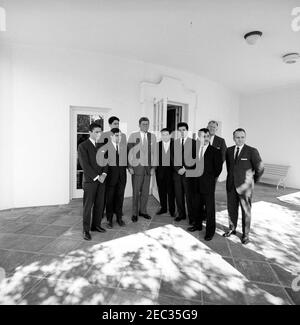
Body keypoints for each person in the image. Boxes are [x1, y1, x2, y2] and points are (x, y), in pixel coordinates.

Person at [223, 128, 264, 244]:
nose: (240, 139)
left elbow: (260, 168)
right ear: (233, 138)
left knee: (246, 211)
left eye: (242, 137)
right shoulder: (229, 150)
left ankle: (246, 235)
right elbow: (230, 168)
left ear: (245, 138)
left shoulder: (252, 151)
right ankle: (232, 229)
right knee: (231, 209)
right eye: (237, 137)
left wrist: (252, 180)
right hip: (231, 185)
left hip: (245, 188)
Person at [188, 128, 222, 240]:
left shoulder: (215, 151)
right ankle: (197, 226)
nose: (205, 138)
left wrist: (209, 179)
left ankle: (210, 232)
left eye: (207, 136)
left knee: (209, 210)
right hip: (195, 184)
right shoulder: (194, 150)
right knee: (196, 207)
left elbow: (218, 169)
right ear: (199, 137)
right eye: (203, 136)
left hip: (208, 185)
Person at [78, 123, 108, 241]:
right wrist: (97, 177)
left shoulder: (102, 146)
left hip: (102, 180)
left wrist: (104, 174)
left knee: (100, 204)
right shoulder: (82, 146)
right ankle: (86, 230)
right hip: (91, 181)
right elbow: (85, 165)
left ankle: (96, 225)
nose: (98, 134)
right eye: (96, 132)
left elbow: (106, 161)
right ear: (90, 132)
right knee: (88, 206)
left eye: (100, 132)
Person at [128, 117, 156, 222]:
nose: (146, 126)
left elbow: (155, 153)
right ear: (139, 125)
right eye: (144, 124)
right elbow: (129, 152)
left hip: (148, 170)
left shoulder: (152, 137)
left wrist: (154, 167)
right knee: (136, 192)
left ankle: (143, 211)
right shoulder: (133, 136)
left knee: (145, 192)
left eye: (147, 124)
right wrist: (129, 167)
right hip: (136, 169)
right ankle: (134, 213)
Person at [103, 128, 127, 228]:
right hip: (110, 178)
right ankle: (109, 220)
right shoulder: (106, 148)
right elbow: (104, 164)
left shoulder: (124, 147)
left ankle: (119, 218)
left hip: (122, 177)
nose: (119, 137)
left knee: (120, 198)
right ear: (111, 136)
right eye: (117, 135)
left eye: (120, 135)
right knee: (110, 199)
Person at [173, 122, 196, 224]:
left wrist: (185, 168)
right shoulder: (175, 142)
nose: (182, 132)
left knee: (189, 197)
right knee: (178, 195)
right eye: (180, 130)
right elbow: (171, 158)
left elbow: (196, 159)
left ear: (187, 130)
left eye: (184, 130)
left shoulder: (194, 143)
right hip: (177, 174)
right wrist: (178, 169)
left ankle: (192, 217)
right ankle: (181, 214)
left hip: (188, 174)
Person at [155, 128, 175, 217]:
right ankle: (163, 208)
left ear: (170, 135)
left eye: (166, 134)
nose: (164, 136)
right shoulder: (157, 145)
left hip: (172, 173)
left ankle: (172, 210)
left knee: (171, 192)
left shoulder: (175, 145)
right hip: (160, 172)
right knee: (161, 191)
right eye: (163, 134)